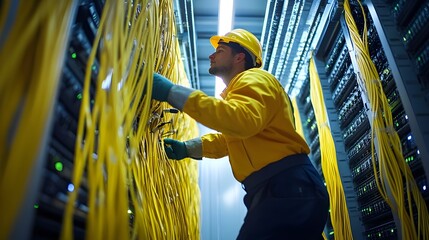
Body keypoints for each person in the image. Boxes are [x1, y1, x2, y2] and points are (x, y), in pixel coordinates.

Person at [151, 28, 329, 239]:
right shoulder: (243, 92)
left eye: (220, 50)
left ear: (240, 57)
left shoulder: (255, 79)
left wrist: (172, 92)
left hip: (287, 186)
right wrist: (189, 148)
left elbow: (241, 122)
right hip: (283, 189)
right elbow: (231, 139)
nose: (211, 55)